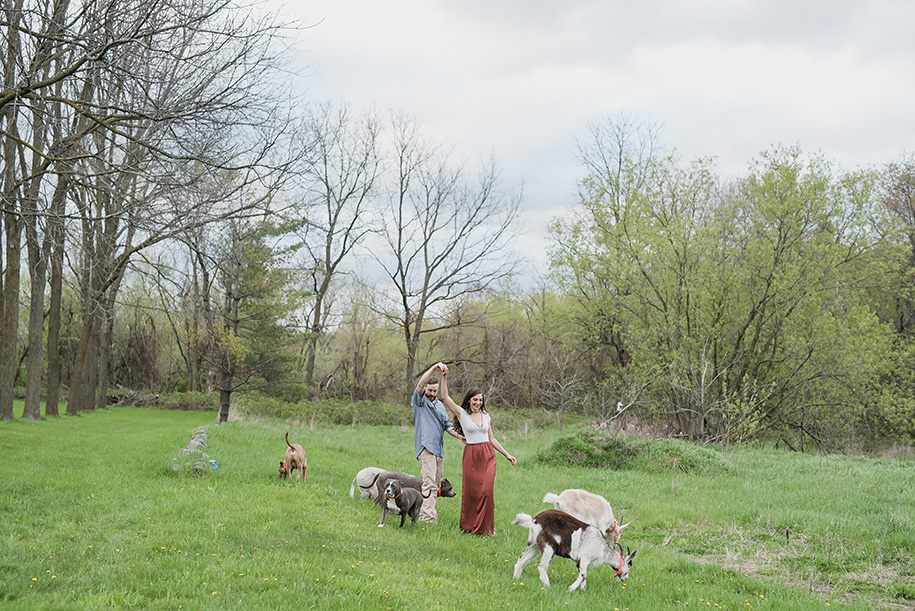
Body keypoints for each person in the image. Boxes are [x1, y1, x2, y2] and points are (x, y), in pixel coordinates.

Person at [439, 365, 516, 535]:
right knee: (472, 492)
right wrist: (444, 377)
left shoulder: (486, 416)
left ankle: (487, 528)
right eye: (475, 400)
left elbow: (492, 438)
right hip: (472, 456)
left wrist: (507, 454)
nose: (478, 403)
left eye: (480, 400)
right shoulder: (462, 414)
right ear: (469, 400)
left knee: (486, 491)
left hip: (488, 456)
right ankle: (469, 527)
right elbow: (445, 397)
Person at [411, 362, 464, 523]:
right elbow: (420, 384)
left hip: (438, 450)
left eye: (435, 391)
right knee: (428, 483)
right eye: (430, 390)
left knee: (435, 484)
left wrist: (461, 437)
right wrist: (434, 368)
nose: (433, 393)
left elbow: (447, 426)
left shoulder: (440, 405)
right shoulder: (419, 401)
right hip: (426, 448)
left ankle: (428, 514)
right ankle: (426, 518)